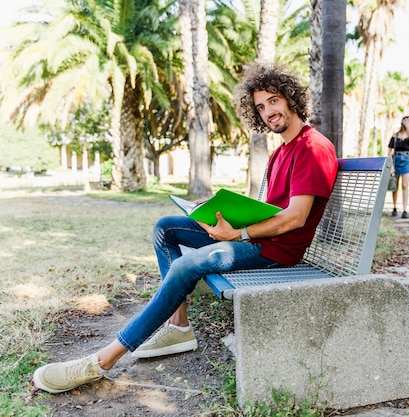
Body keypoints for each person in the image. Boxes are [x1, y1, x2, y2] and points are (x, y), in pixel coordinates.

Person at [32, 63, 339, 394]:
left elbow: (295, 218)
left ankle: (102, 361)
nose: (268, 112)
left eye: (274, 101)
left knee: (187, 264)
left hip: (277, 251)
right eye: (261, 107)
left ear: (291, 99)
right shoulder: (282, 151)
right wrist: (222, 216)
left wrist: (237, 234)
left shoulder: (312, 147)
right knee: (166, 228)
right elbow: (271, 209)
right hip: (259, 238)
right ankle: (178, 327)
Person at [387, 115, 409, 218]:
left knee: (405, 185)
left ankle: (405, 209)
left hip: (406, 159)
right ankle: (394, 207)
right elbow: (389, 151)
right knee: (395, 185)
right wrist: (391, 166)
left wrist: (408, 127)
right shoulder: (395, 136)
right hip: (396, 159)